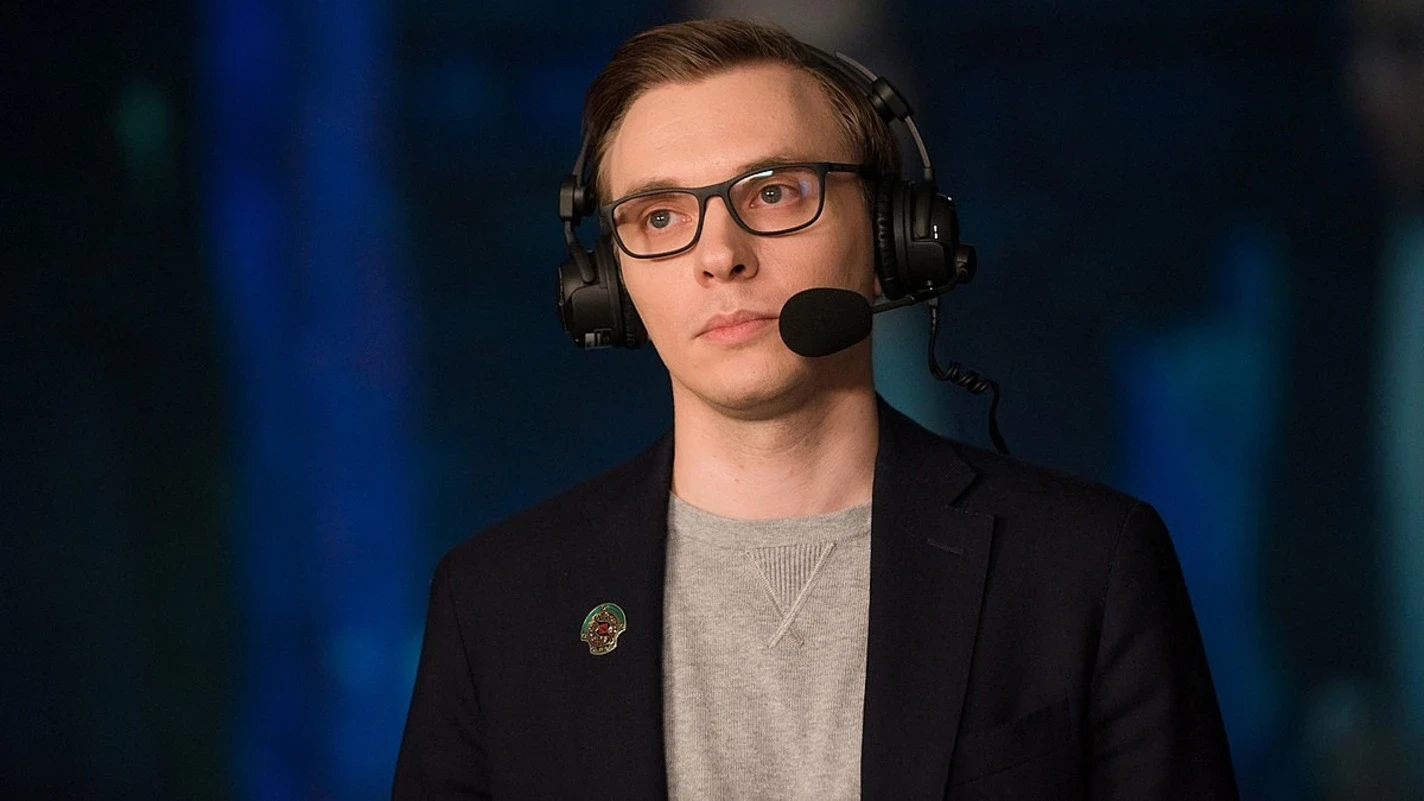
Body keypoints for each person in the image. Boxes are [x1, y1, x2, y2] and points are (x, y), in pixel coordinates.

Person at [392, 17, 1236, 800]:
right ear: (608, 288)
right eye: (660, 215)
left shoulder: (1087, 567)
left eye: (774, 193)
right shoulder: (494, 604)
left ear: (893, 237)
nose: (720, 256)